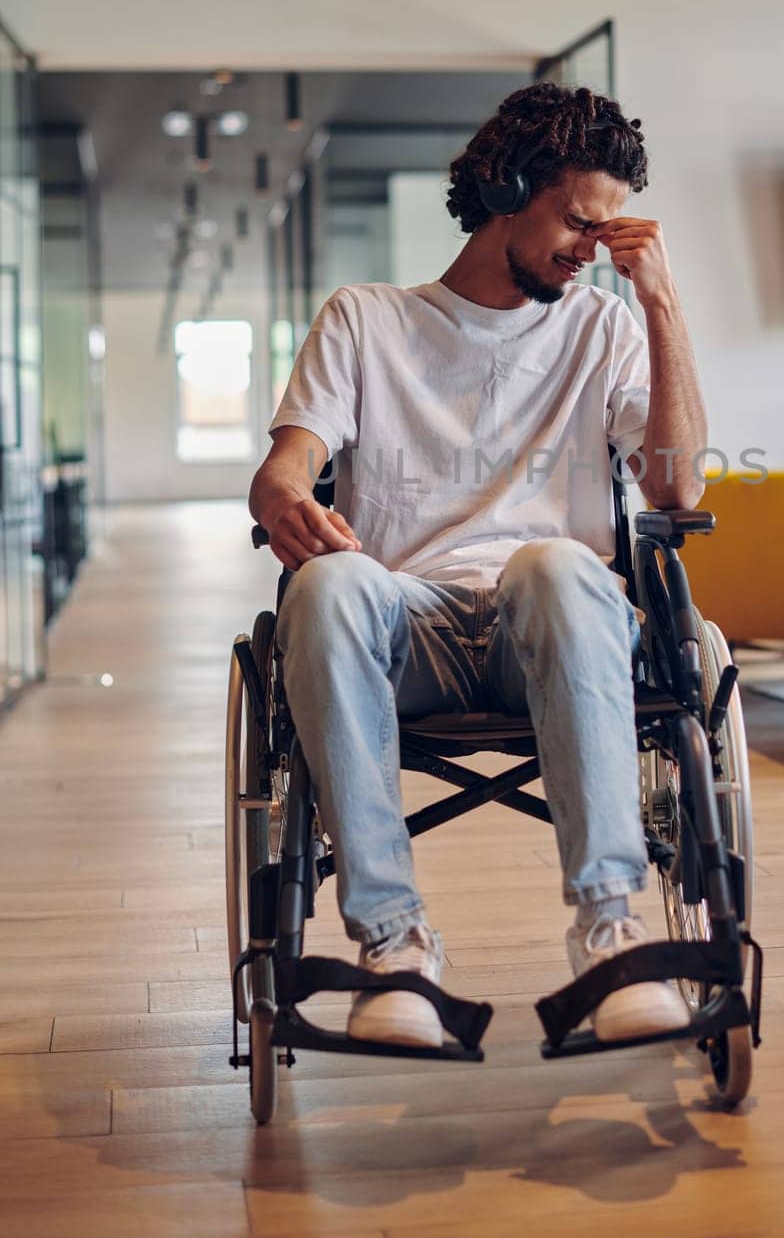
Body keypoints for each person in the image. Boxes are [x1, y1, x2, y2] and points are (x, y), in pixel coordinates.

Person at [249, 82, 708, 1050]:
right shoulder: (366, 320)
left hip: (551, 623)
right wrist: (285, 495)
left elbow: (674, 489)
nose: (593, 250)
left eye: (610, 231)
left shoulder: (603, 328)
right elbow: (287, 464)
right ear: (505, 188)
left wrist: (659, 304)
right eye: (579, 223)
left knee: (551, 562)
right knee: (329, 583)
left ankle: (609, 928)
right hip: (403, 628)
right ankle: (393, 945)